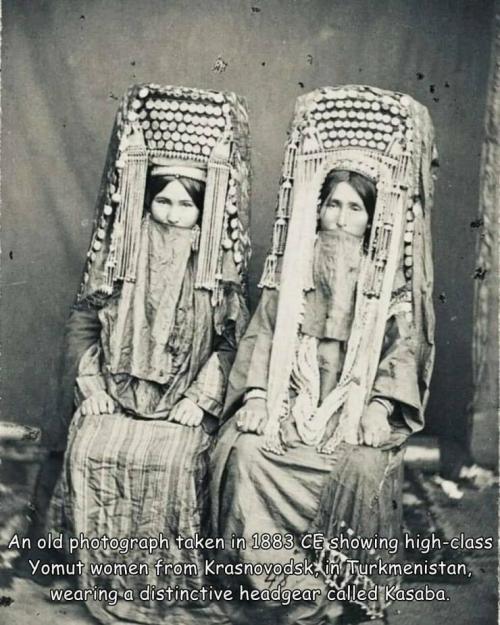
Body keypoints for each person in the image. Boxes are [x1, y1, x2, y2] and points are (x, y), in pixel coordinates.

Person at [210, 85, 436, 624]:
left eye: (354, 208)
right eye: (332, 204)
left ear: (372, 218)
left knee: (363, 466)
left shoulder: (388, 281)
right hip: (289, 404)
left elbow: (402, 350)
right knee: (245, 455)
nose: (340, 217)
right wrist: (258, 397)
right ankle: (291, 587)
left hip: (352, 413)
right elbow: (263, 334)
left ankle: (341, 588)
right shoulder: (291, 269)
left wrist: (380, 406)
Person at [53, 83, 251, 625]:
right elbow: (84, 321)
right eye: (162, 199)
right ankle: (100, 578)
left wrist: (200, 400)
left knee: (175, 462)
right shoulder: (119, 252)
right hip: (116, 394)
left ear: (203, 209)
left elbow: (233, 343)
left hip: (184, 403)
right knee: (88, 448)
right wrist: (93, 386)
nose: (171, 213)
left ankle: (171, 585)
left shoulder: (218, 267)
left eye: (186, 203)